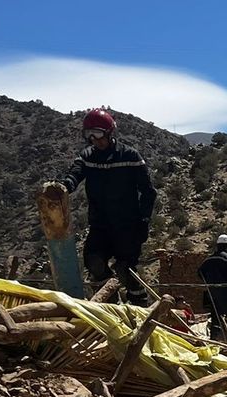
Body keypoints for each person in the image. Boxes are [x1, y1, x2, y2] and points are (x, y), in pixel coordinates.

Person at [47, 109, 156, 305]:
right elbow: (75, 174)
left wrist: (144, 221)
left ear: (109, 132)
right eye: (89, 136)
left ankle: (142, 307)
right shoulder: (88, 156)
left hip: (128, 225)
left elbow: (148, 192)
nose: (94, 140)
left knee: (126, 269)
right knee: (94, 262)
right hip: (100, 225)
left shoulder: (130, 156)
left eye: (97, 134)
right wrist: (64, 187)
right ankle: (111, 305)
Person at [199, 234, 227, 335]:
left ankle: (215, 338)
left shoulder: (208, 260)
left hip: (211, 292)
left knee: (215, 317)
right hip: (225, 291)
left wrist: (208, 282)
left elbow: (200, 272)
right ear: (226, 246)